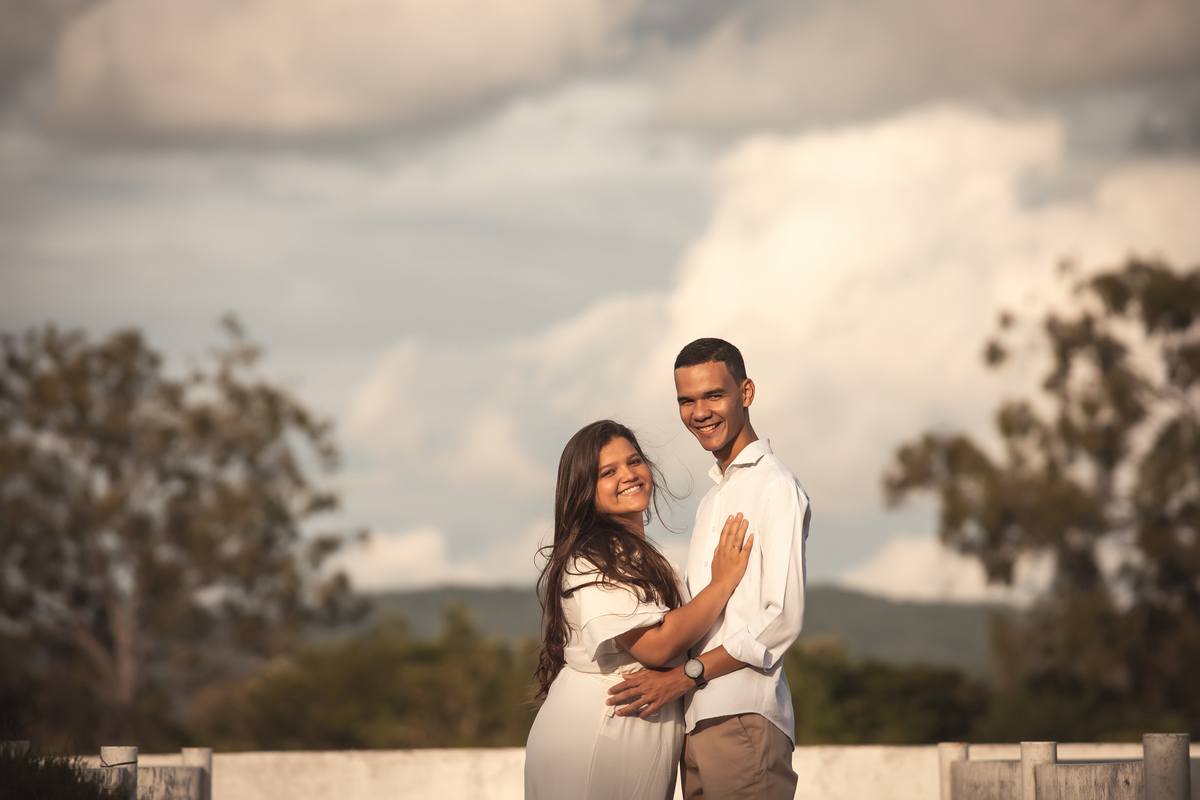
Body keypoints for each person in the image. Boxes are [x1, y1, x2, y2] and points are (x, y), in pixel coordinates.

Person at [607, 338, 811, 800]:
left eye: (713, 395)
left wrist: (686, 675)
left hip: (743, 718)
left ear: (747, 392)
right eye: (686, 400)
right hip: (696, 723)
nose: (699, 412)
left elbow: (781, 619)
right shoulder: (710, 499)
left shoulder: (774, 486)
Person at [524, 419, 754, 800]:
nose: (628, 475)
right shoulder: (592, 558)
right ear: (585, 490)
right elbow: (656, 646)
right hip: (596, 738)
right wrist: (721, 583)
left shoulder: (645, 557)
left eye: (634, 462)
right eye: (608, 472)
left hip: (629, 736)